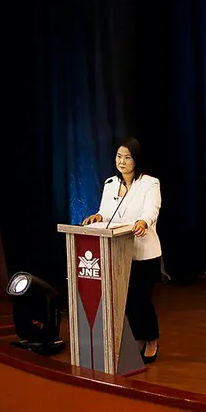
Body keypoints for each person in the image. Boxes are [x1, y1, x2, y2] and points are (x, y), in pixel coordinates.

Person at [81, 137, 162, 364]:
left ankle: (152, 340)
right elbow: (106, 213)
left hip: (143, 253)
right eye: (119, 157)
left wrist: (144, 222)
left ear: (136, 160)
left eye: (127, 157)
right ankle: (138, 337)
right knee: (125, 301)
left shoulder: (150, 183)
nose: (122, 161)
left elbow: (151, 210)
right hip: (117, 254)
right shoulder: (109, 184)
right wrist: (98, 217)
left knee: (141, 300)